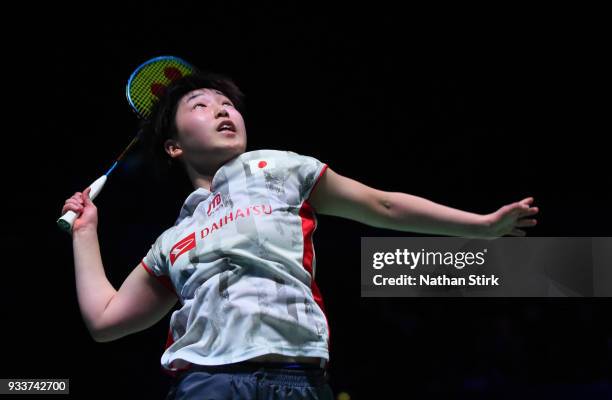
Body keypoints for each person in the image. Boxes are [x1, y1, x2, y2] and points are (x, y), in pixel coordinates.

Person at [61, 68, 539, 399]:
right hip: (204, 383)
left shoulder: (277, 168)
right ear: (172, 146)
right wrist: (86, 231)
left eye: (228, 104)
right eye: (202, 105)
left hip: (297, 377)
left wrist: (481, 227)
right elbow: (106, 322)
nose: (223, 110)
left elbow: (382, 204)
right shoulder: (174, 237)